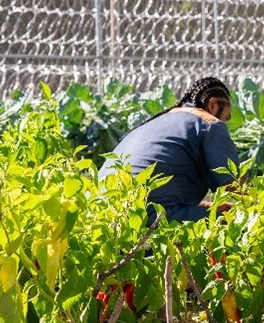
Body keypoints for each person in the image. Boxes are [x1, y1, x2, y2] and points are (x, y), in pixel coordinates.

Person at [98, 77, 240, 223]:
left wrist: (207, 207)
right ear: (213, 105)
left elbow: (157, 196)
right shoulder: (210, 124)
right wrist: (262, 203)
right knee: (238, 225)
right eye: (226, 117)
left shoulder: (156, 122)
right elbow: (235, 185)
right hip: (146, 219)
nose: (225, 123)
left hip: (103, 215)